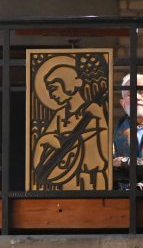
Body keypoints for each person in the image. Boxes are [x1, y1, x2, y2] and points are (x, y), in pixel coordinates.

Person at [30, 56, 109, 189]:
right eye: (49, 90)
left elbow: (105, 155)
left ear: (68, 84)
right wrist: (46, 139)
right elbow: (45, 145)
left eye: (54, 88)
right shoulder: (60, 115)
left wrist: (100, 119)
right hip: (64, 179)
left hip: (92, 181)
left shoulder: (95, 111)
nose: (51, 95)